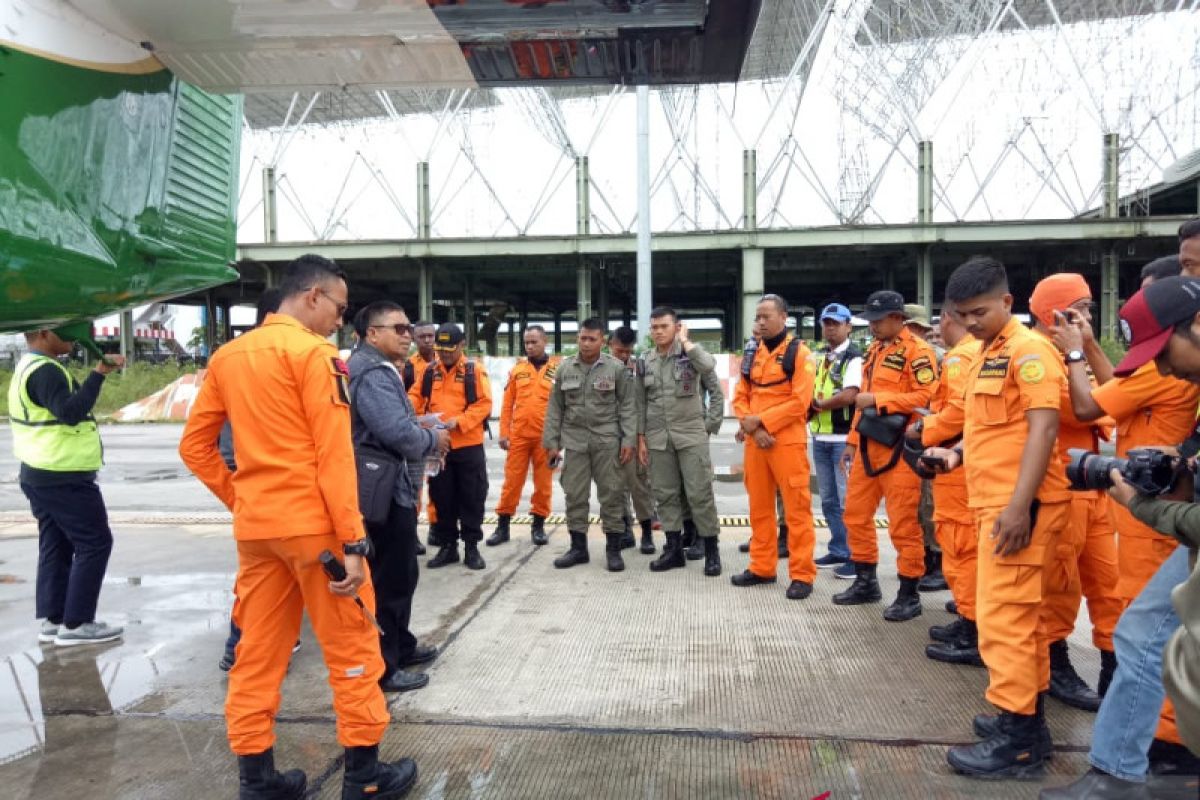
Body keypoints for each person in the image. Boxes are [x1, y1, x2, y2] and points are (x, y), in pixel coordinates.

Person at [179, 254, 416, 799]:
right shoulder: (314, 355)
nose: (340, 319)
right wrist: (354, 542)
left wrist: (242, 498)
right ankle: (364, 778)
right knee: (353, 647)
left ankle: (257, 780)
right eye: (338, 306)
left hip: (258, 531)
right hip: (317, 532)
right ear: (312, 296)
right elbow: (334, 456)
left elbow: (195, 446)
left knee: (257, 653)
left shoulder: (229, 357)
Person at [1041, 275, 1200, 799]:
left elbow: (1087, 408)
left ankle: (1137, 763)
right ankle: (1116, 773)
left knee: (1150, 632)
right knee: (1142, 631)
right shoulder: (1184, 370)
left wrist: (1145, 506)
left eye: (1162, 350)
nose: (1162, 365)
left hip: (1169, 526)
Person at [916, 256, 1070, 778]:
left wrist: (1018, 508)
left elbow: (1044, 431)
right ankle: (1027, 722)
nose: (971, 322)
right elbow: (991, 430)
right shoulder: (986, 353)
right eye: (963, 314)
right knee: (1021, 621)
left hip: (1016, 510)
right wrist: (955, 455)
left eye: (979, 312)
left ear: (1008, 302)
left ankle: (1018, 740)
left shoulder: (1030, 352)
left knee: (1005, 622)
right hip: (996, 503)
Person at [1028, 274, 1122, 712]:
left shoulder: (1072, 354)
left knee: (1110, 584)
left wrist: (1085, 348)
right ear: (1054, 313)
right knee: (1059, 587)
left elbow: (1119, 395)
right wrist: (1075, 353)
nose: (1087, 315)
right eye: (1080, 307)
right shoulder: (1042, 356)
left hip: (1095, 488)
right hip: (1060, 488)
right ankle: (1056, 666)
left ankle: (1113, 667)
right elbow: (1086, 408)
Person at [348, 301, 451, 694]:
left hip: (388, 485)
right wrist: (432, 437)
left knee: (402, 573)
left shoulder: (377, 368)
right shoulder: (372, 373)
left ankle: (401, 646)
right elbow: (396, 432)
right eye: (400, 328)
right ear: (373, 333)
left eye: (409, 328)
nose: (409, 335)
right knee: (391, 580)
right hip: (384, 491)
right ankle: (385, 665)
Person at [11, 324, 125, 647]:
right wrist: (99, 373)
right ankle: (76, 623)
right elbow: (70, 413)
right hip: (63, 474)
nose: (75, 340)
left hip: (39, 472)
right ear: (45, 333)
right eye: (69, 333)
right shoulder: (46, 371)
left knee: (56, 545)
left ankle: (54, 618)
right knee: (95, 543)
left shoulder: (26, 366)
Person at [834, 290, 937, 622]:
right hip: (868, 445)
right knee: (854, 514)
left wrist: (879, 399)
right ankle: (866, 581)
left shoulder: (919, 352)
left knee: (904, 524)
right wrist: (851, 442)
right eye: (871, 322)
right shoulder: (874, 350)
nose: (873, 327)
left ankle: (909, 593)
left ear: (898, 318)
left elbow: (927, 397)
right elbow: (861, 403)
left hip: (900, 450)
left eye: (878, 321)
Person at [730, 294, 819, 600]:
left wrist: (761, 423)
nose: (761, 322)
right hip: (757, 443)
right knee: (760, 508)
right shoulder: (752, 353)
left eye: (767, 316)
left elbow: (800, 403)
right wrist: (753, 429)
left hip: (786, 442)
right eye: (758, 317)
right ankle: (762, 567)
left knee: (796, 511)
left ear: (783, 317)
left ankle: (802, 575)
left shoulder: (800, 354)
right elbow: (740, 396)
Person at [218, 288, 287, 672]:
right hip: (283, 496)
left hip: (249, 489)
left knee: (255, 576)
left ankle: (240, 645)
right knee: (276, 575)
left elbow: (197, 444)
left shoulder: (229, 359)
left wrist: (234, 493)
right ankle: (245, 641)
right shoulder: (299, 358)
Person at [543, 318, 638, 572]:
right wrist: (552, 442)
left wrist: (629, 439)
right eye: (582, 338)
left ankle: (614, 550)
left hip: (608, 441)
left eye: (591, 339)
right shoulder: (564, 369)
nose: (585, 343)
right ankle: (578, 548)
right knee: (574, 494)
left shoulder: (616, 369)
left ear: (602, 341)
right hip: (574, 442)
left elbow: (628, 406)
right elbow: (555, 408)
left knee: (612, 494)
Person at [636, 307, 723, 576]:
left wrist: (708, 426)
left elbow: (711, 375)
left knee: (700, 494)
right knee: (665, 495)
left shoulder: (692, 355)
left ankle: (711, 551)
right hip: (658, 438)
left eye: (664, 326)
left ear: (677, 327)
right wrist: (640, 437)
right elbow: (640, 402)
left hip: (690, 436)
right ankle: (673, 550)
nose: (658, 331)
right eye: (654, 327)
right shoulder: (645, 361)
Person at [919, 306, 983, 667]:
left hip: (956, 464)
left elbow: (958, 411)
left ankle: (972, 631)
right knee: (959, 548)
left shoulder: (961, 357)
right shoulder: (976, 352)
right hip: (957, 460)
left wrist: (925, 431)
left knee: (962, 546)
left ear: (947, 319)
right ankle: (966, 620)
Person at [409, 323, 493, 571]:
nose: (444, 354)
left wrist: (462, 421)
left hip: (467, 445)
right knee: (442, 497)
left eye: (449, 349)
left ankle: (471, 547)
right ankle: (448, 547)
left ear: (461, 345)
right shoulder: (428, 371)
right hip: (438, 447)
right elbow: (416, 398)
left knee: (472, 497)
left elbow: (484, 404)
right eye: (440, 349)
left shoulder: (473, 370)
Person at [489, 325, 560, 547]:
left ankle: (538, 527)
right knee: (512, 482)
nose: (529, 346)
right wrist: (503, 433)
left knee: (543, 484)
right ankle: (503, 527)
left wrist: (559, 440)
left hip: (546, 438)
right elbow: (507, 404)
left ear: (544, 341)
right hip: (519, 437)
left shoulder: (558, 369)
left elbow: (564, 407)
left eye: (534, 342)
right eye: (526, 342)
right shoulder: (517, 370)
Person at [808, 303, 862, 580]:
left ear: (848, 326)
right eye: (826, 323)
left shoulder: (854, 357)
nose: (830, 328)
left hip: (843, 439)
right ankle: (839, 549)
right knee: (828, 500)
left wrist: (818, 405)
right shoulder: (823, 357)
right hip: (820, 438)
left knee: (846, 501)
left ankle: (856, 556)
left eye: (836, 323)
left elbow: (851, 395)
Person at [904, 303, 949, 594]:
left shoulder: (937, 357)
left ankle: (940, 563)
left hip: (938, 438)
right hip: (919, 437)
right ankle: (928, 558)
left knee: (933, 504)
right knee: (920, 504)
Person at [608, 326, 658, 553]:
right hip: (608, 435)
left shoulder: (639, 368)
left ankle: (647, 533)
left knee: (640, 485)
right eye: (620, 351)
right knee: (614, 487)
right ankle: (625, 530)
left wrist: (642, 439)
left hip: (635, 433)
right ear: (609, 346)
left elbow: (644, 404)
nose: (624, 356)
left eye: (628, 352)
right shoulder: (600, 368)